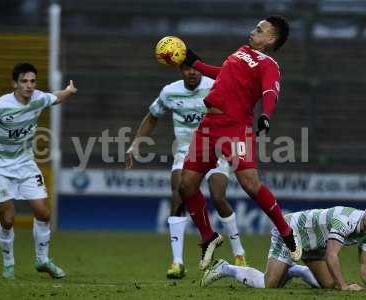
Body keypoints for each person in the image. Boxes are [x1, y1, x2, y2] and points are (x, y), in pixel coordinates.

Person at [178, 15, 301, 270]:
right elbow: (223, 74)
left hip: (235, 128)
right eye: (255, 27)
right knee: (186, 186)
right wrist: (196, 63)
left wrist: (266, 115)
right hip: (208, 127)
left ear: (271, 39)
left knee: (250, 185)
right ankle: (208, 237)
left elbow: (270, 91)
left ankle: (287, 232)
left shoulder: (269, 64)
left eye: (259, 30)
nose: (252, 31)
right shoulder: (242, 51)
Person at [125, 64, 246, 279]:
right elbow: (152, 116)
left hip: (215, 149)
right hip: (184, 152)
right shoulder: (170, 92)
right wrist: (136, 143)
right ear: (180, 71)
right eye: (186, 69)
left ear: (200, 69)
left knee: (218, 197)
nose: (192, 72)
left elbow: (235, 109)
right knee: (177, 196)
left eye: (195, 69)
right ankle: (177, 262)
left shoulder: (215, 86)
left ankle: (239, 253)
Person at [0, 63, 78, 279]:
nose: (29, 86)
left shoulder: (38, 98)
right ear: (14, 84)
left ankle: (42, 259)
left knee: (43, 213)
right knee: (8, 218)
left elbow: (55, 97)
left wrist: (69, 91)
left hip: (25, 164)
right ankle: (9, 264)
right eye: (24, 81)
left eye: (32, 81)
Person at [201, 206, 366, 292]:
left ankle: (294, 270)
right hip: (291, 232)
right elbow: (331, 256)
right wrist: (344, 286)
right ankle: (224, 267)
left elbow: (364, 265)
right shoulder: (345, 220)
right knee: (270, 284)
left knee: (330, 285)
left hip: (315, 244)